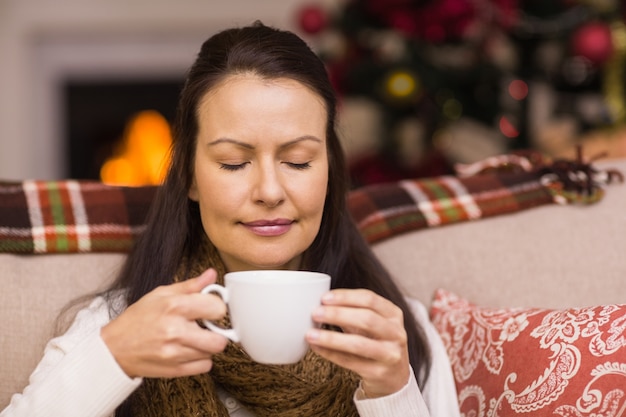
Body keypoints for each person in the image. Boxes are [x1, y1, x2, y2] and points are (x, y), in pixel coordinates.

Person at [1, 22, 460, 417]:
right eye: (233, 163)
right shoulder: (123, 322)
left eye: (298, 161)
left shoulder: (396, 333)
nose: (269, 192)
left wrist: (393, 393)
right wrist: (110, 358)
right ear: (191, 177)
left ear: (330, 174)